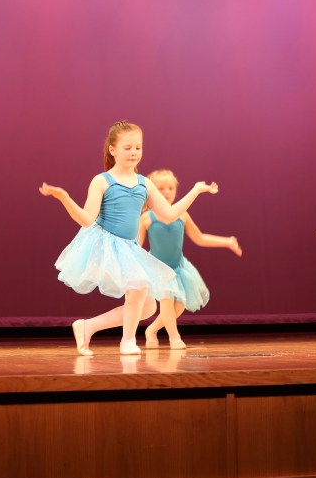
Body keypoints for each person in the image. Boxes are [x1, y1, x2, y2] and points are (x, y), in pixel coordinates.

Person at [40, 121, 219, 356]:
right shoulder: (102, 181)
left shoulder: (145, 183)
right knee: (140, 286)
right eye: (127, 148)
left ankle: (87, 327)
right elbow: (86, 219)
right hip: (105, 245)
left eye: (138, 147)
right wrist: (64, 197)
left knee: (148, 307)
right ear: (112, 149)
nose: (134, 152)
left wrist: (195, 190)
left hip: (129, 248)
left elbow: (169, 214)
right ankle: (127, 341)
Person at [137, 168, 242, 350]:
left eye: (171, 188)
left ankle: (151, 330)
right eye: (161, 188)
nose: (167, 192)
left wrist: (227, 241)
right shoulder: (147, 218)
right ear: (152, 192)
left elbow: (200, 238)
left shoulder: (183, 215)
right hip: (158, 269)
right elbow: (137, 245)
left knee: (179, 306)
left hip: (178, 267)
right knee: (166, 300)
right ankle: (174, 338)